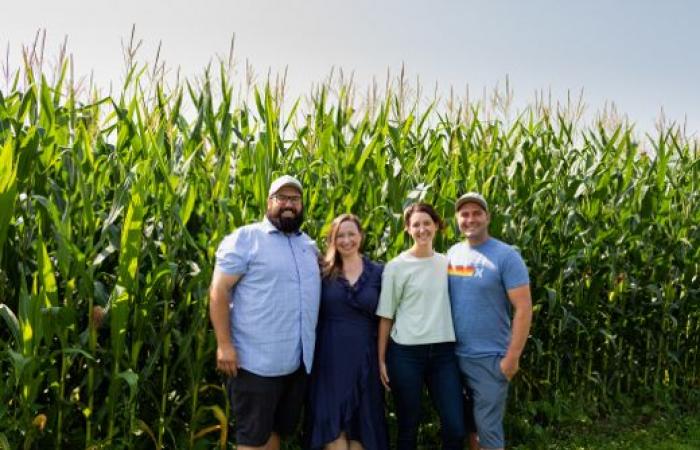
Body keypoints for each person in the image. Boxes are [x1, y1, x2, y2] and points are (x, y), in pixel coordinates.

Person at [209, 175, 321, 450]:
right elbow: (218, 291)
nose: (288, 205)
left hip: (296, 363)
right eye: (281, 198)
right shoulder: (246, 239)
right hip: (255, 364)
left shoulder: (308, 245)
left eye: (294, 199)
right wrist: (224, 345)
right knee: (252, 439)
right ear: (268, 202)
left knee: (275, 434)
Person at [376, 203, 466, 450]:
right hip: (405, 354)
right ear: (407, 229)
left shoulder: (450, 263)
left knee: (455, 426)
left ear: (437, 225)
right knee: (408, 425)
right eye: (416, 224)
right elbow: (386, 315)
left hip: (443, 354)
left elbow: (476, 284)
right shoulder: (396, 266)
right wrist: (381, 359)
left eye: (427, 223)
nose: (422, 229)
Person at [447, 193, 533, 450]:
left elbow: (524, 307)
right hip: (453, 356)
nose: (470, 219)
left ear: (488, 217)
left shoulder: (506, 256)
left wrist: (512, 358)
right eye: (464, 214)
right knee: (467, 426)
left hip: (489, 358)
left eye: (476, 213)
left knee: (488, 430)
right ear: (457, 219)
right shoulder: (452, 253)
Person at [306, 214, 389, 450]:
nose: (346, 240)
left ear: (361, 236)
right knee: (333, 436)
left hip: (366, 361)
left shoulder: (379, 272)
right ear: (333, 240)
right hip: (329, 361)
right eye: (340, 235)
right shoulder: (322, 272)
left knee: (362, 437)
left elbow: (388, 317)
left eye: (351, 234)